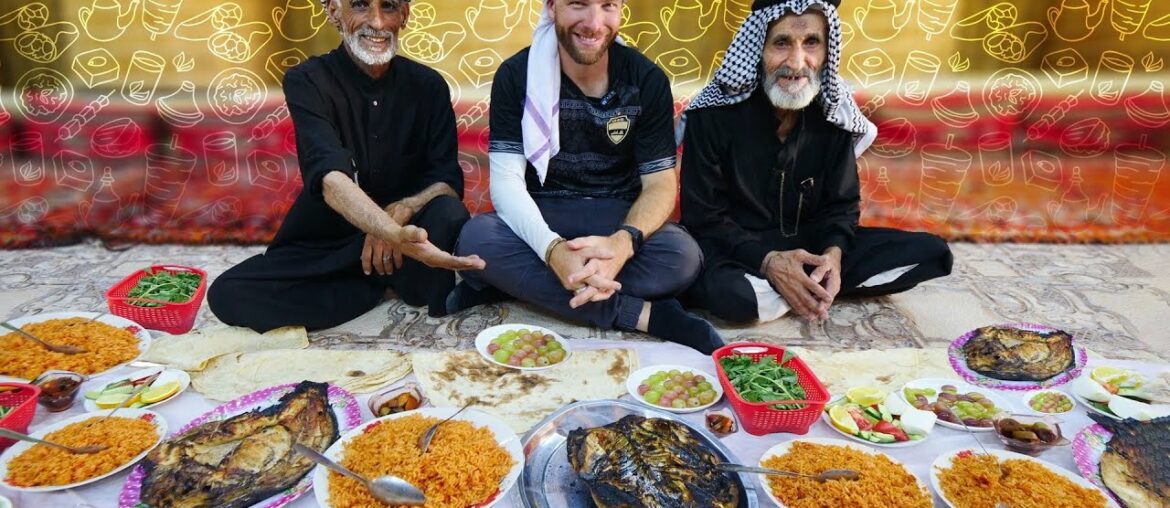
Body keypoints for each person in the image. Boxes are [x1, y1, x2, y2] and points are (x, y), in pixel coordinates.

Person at [448, 0, 723, 353]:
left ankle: (514, 283)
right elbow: (507, 186)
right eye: (578, 4)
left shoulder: (646, 79)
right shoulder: (516, 76)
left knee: (682, 257)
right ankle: (643, 315)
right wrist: (553, 251)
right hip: (543, 212)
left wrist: (621, 246)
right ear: (552, 7)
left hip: (615, 218)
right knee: (476, 240)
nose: (594, 23)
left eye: (607, 5)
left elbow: (660, 185)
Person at [208, 0, 484, 332]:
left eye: (390, 7)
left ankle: (378, 283)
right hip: (331, 241)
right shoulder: (307, 80)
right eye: (360, 6)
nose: (378, 22)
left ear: (406, 15)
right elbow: (329, 176)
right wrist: (387, 231)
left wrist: (405, 209)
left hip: (409, 237)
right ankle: (370, 287)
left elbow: (447, 180)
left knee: (448, 212)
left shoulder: (429, 86)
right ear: (333, 11)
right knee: (228, 293)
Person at [680, 0, 952, 324]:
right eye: (782, 43)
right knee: (734, 297)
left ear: (826, 50)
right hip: (740, 250)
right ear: (758, 49)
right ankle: (792, 286)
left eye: (811, 43)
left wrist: (832, 258)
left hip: (809, 245)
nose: (797, 63)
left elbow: (842, 206)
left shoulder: (834, 115)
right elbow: (705, 217)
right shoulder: (712, 117)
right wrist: (769, 261)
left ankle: (803, 286)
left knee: (933, 254)